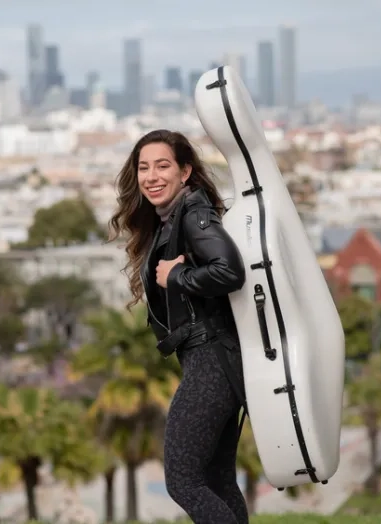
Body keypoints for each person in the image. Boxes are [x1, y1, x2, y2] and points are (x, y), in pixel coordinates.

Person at [109, 129, 249, 524]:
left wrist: (178, 275)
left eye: (163, 166)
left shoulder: (194, 214)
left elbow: (229, 271)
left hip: (211, 361)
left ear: (185, 171)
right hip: (215, 359)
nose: (151, 176)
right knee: (217, 480)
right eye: (143, 167)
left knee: (183, 480)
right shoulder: (174, 217)